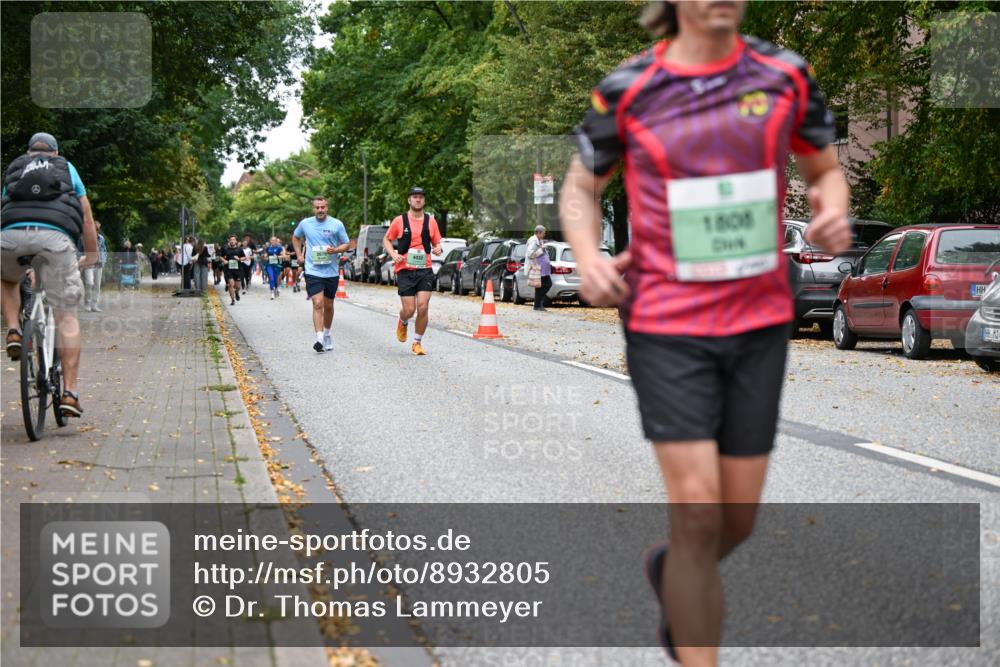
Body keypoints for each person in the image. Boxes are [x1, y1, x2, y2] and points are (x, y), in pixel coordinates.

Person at [560, 2, 852, 664]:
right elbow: (582, 186)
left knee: (735, 520)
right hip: (666, 321)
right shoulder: (628, 88)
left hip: (758, 320)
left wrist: (832, 212)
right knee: (696, 513)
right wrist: (586, 256)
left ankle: (674, 568)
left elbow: (824, 170)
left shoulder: (786, 75)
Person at [0, 132, 99, 417]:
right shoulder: (66, 168)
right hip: (56, 240)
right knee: (66, 314)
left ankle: (14, 330)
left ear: (29, 152)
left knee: (6, 277)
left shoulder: (16, 168)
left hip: (10, 238)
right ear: (54, 152)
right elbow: (87, 218)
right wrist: (90, 257)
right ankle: (69, 393)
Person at [382, 186, 443, 356]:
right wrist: (394, 254)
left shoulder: (430, 221)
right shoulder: (399, 220)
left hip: (425, 269)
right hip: (405, 270)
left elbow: (437, 242)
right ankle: (403, 320)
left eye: (421, 197)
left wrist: (438, 248)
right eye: (415, 197)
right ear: (409, 200)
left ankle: (417, 342)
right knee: (409, 310)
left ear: (424, 200)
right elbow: (386, 239)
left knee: (423, 307)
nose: (418, 200)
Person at [293, 196, 350, 352]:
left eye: (322, 207)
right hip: (313, 270)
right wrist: (299, 255)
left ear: (327, 208)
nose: (320, 210)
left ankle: (327, 333)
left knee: (329, 305)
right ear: (313, 209)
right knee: (317, 303)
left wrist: (336, 250)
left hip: (331, 271)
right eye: (317, 207)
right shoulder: (305, 223)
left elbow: (346, 243)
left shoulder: (337, 224)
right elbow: (296, 237)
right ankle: (318, 338)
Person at [525, 225, 552, 311]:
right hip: (538, 267)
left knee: (541, 286)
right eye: (543, 233)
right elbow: (530, 254)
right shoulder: (533, 241)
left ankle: (538, 305)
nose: (544, 235)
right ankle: (537, 305)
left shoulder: (539, 240)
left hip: (543, 268)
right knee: (546, 285)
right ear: (539, 233)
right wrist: (541, 249)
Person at [83, 220, 108, 312]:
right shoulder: (84, 238)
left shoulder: (101, 238)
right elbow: (79, 250)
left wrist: (104, 260)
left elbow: (104, 250)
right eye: (94, 228)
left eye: (97, 229)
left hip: (99, 263)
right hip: (88, 264)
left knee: (97, 285)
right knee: (89, 283)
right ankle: (87, 303)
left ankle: (94, 305)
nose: (96, 230)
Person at [219, 235, 244, 305]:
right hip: (228, 269)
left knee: (238, 286)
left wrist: (239, 259)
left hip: (238, 269)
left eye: (234, 239)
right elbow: (220, 256)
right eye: (231, 239)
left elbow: (244, 257)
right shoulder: (225, 248)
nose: (232, 241)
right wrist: (224, 260)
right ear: (229, 241)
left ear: (236, 241)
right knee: (231, 284)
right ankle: (232, 299)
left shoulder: (239, 249)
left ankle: (236, 292)